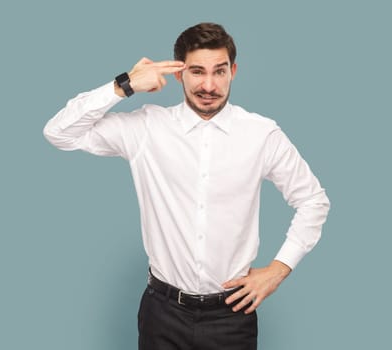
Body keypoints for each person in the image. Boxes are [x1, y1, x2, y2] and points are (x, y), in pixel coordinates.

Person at [43, 22, 330, 350]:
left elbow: (313, 200)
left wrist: (279, 270)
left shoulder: (261, 134)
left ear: (233, 72)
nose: (209, 85)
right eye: (197, 72)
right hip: (162, 314)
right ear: (179, 74)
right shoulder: (146, 128)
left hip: (232, 316)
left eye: (219, 72)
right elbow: (59, 132)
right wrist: (125, 85)